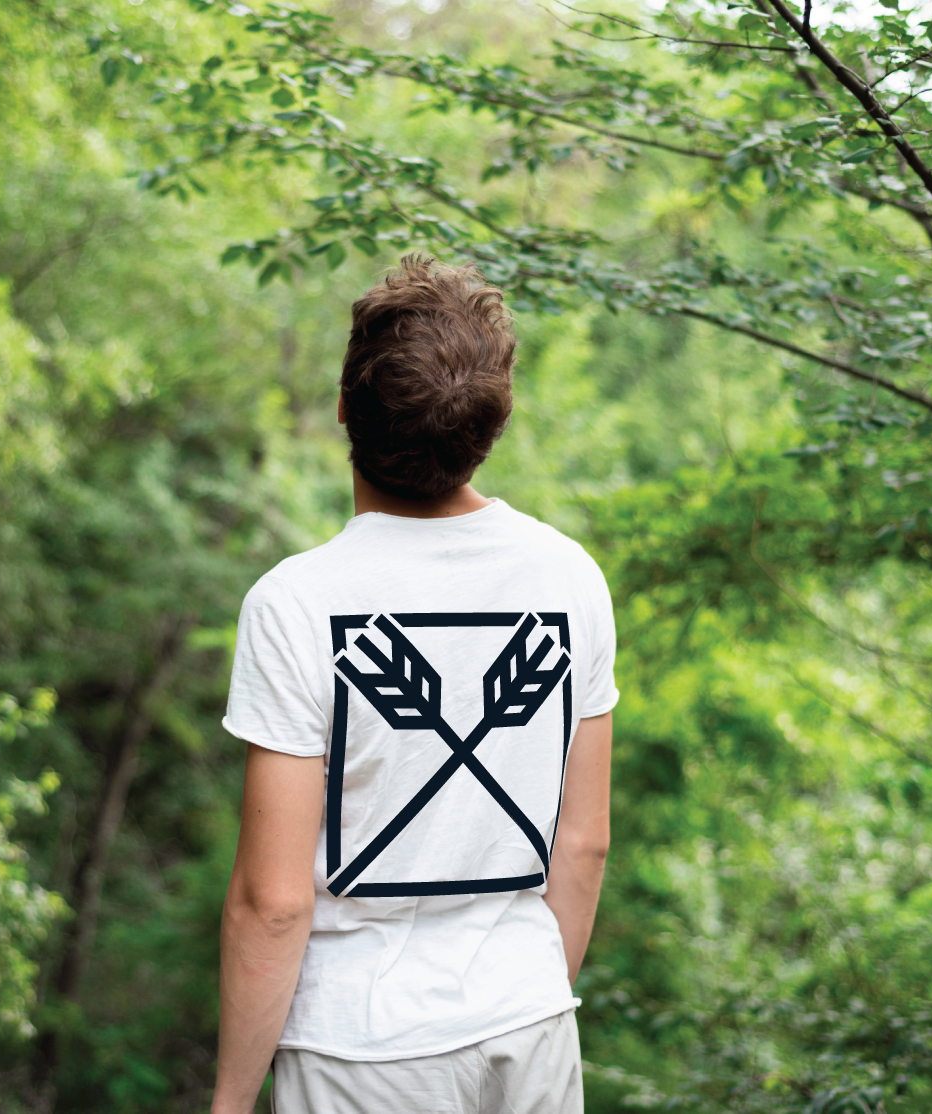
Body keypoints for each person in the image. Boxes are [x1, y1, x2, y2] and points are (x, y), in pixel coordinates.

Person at [213, 255, 617, 1114]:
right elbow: (581, 848)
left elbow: (273, 902)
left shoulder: (297, 603)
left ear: (343, 411)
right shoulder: (568, 580)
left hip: (357, 1051)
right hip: (530, 1026)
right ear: (492, 424)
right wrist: (518, 988)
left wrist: (229, 1101)